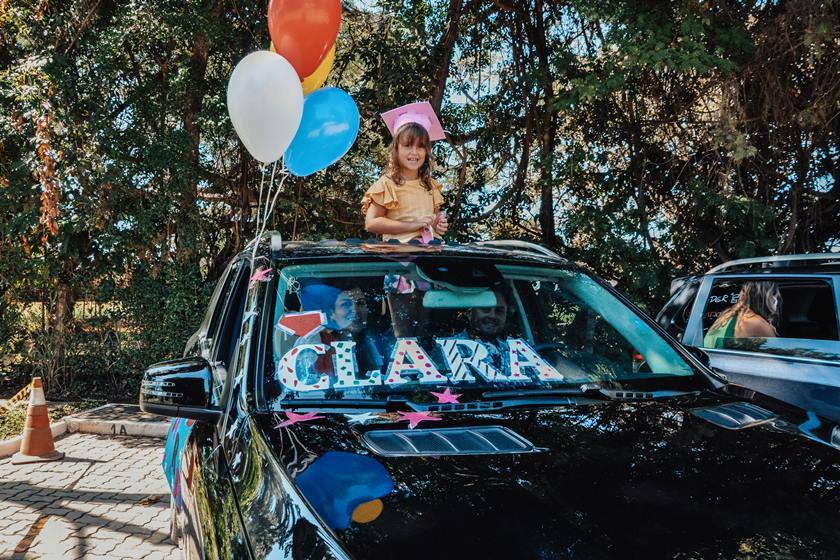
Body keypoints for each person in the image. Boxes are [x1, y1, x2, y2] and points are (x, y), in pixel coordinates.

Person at [363, 101, 449, 243]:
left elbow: (432, 221)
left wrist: (437, 225)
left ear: (426, 151)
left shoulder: (430, 185)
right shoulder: (386, 184)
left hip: (430, 251)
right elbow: (371, 223)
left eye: (421, 146)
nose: (414, 152)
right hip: (400, 257)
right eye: (408, 145)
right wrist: (412, 226)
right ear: (396, 149)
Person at [291, 284, 385, 379]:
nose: (355, 310)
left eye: (360, 303)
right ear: (332, 313)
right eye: (346, 304)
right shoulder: (316, 345)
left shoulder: (378, 339)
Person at [703, 281, 780, 349]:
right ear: (763, 297)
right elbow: (779, 357)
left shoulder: (727, 315)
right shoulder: (756, 323)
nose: (776, 299)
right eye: (773, 294)